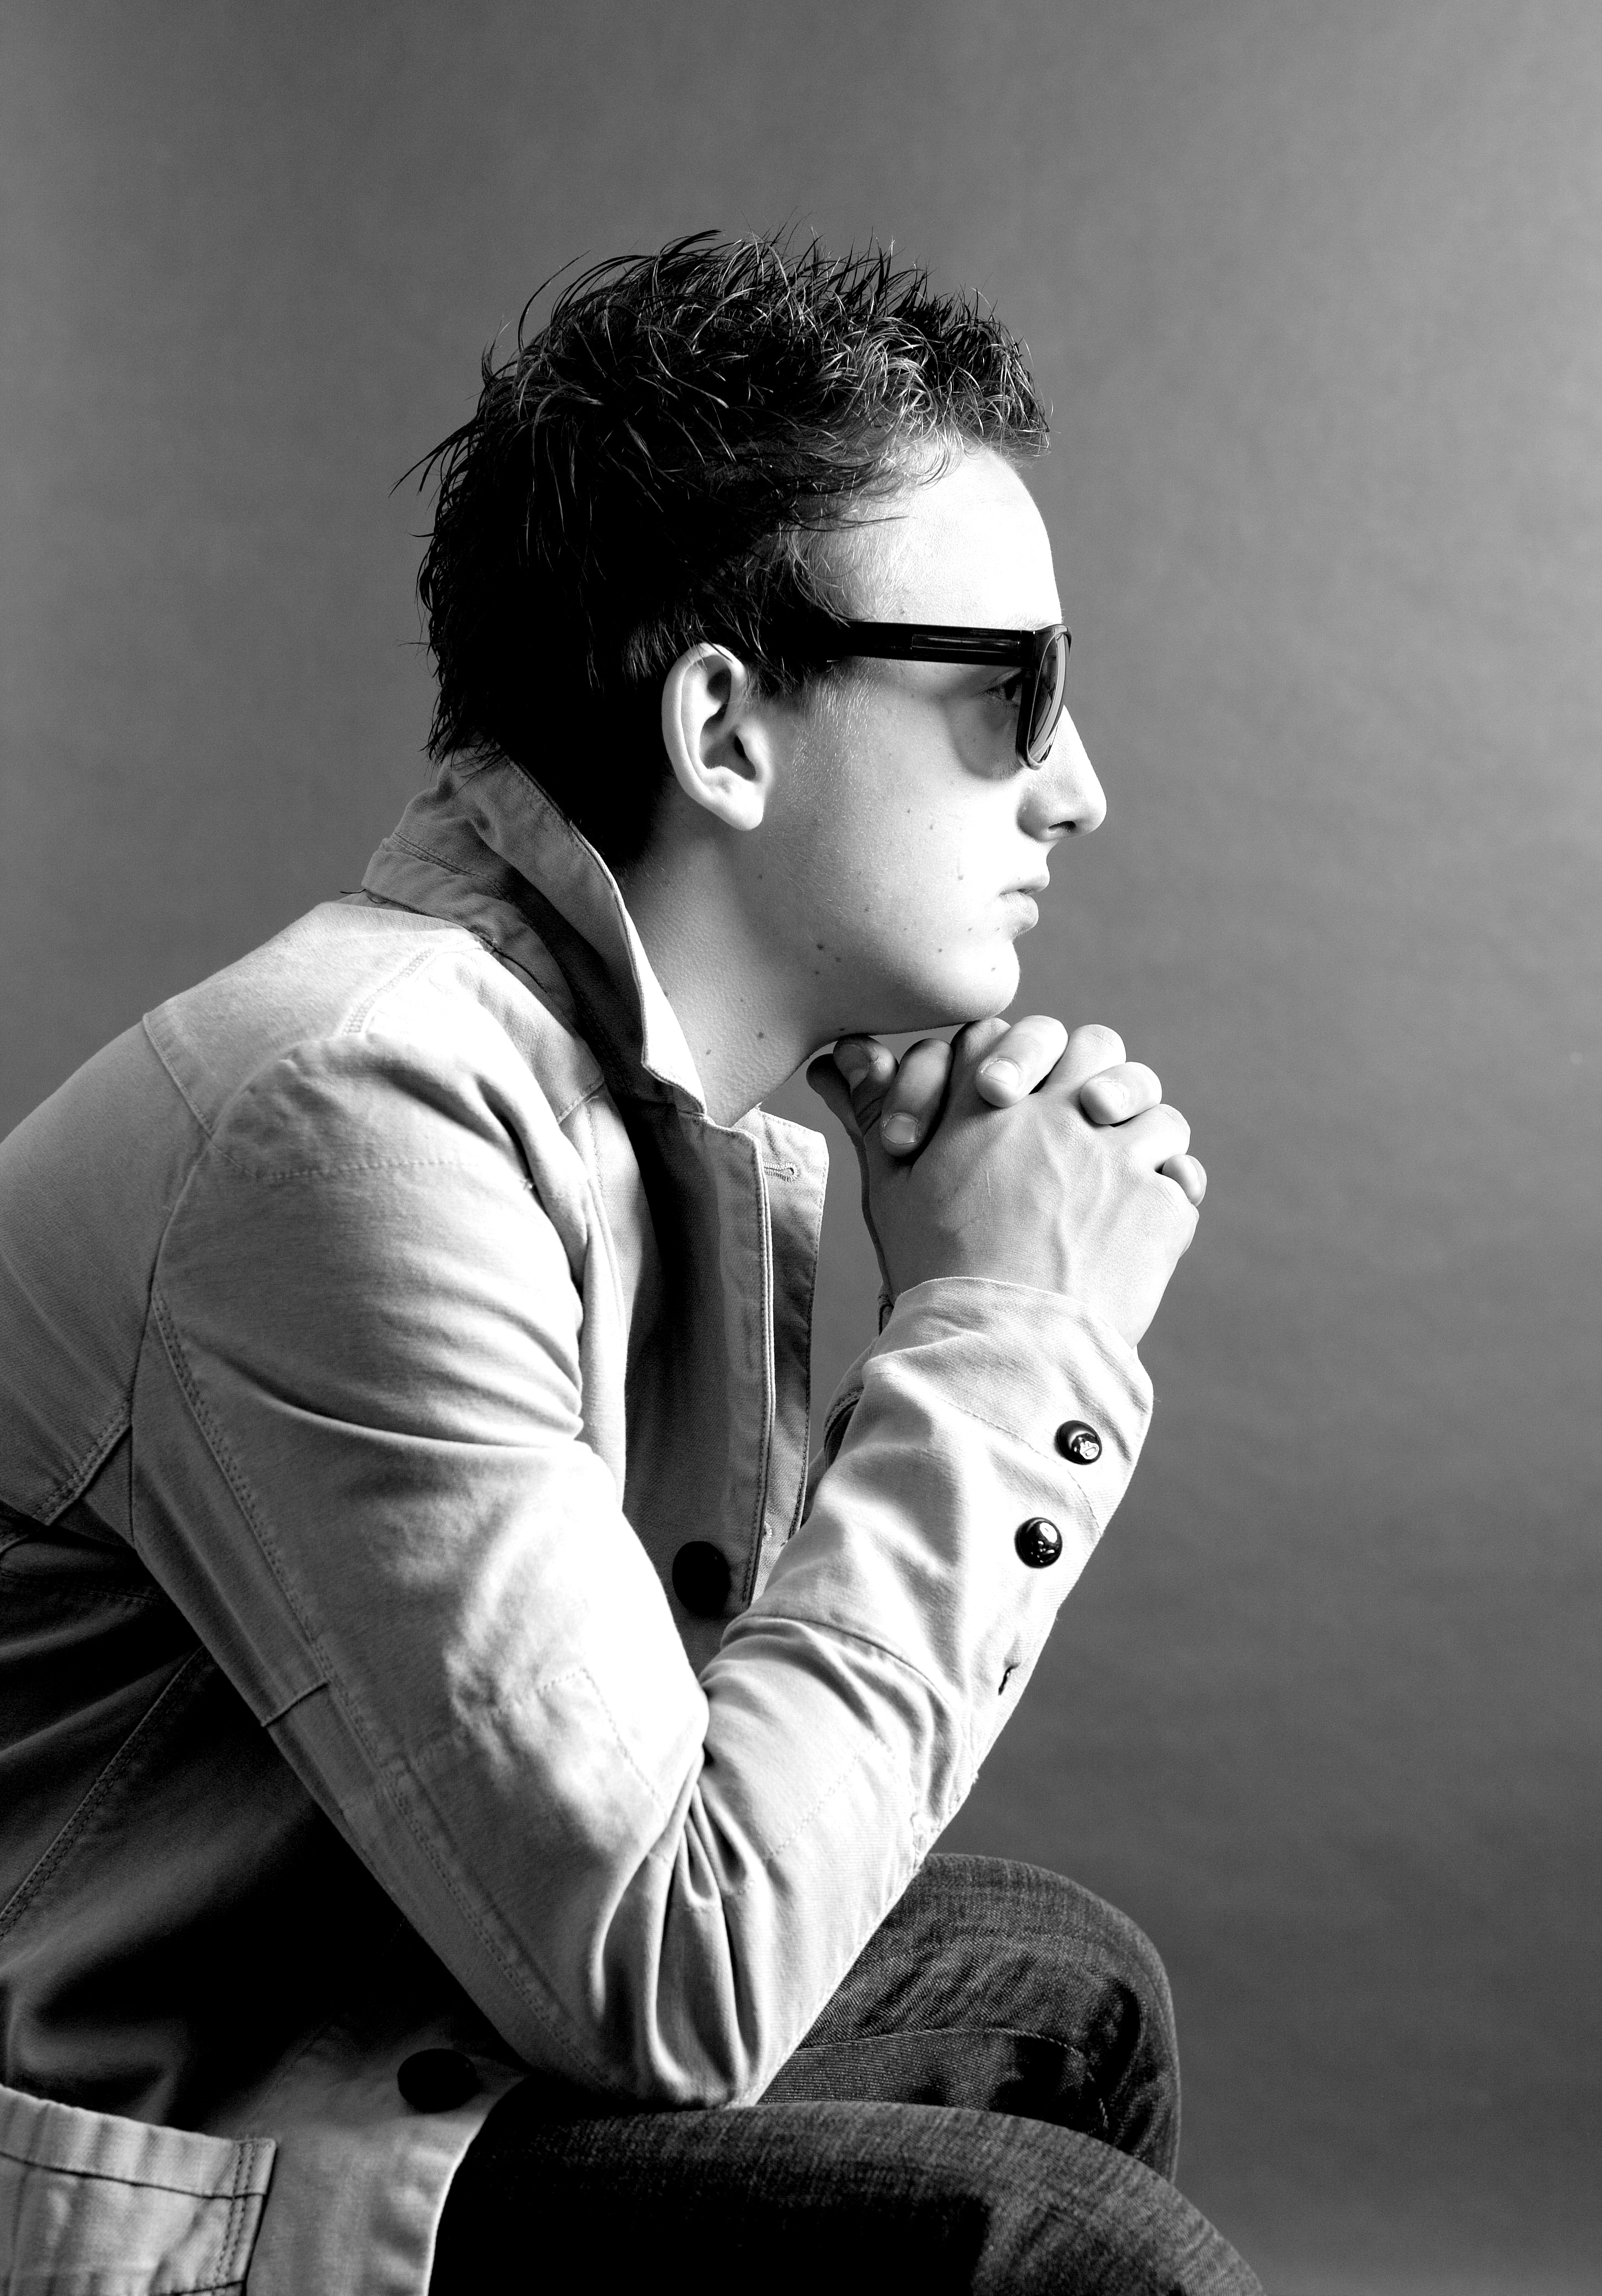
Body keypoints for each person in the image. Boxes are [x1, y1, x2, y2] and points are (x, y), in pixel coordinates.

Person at [0, 234, 1259, 2293]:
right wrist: (1009, 1332)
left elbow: (635, 1819)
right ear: (725, 730)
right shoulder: (353, 1123)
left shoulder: (634, 1110)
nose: (1081, 789)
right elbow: (680, 1967)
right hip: (145, 2170)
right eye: (1012, 694)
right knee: (1061, 2250)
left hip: (335, 2011)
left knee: (1060, 1987)